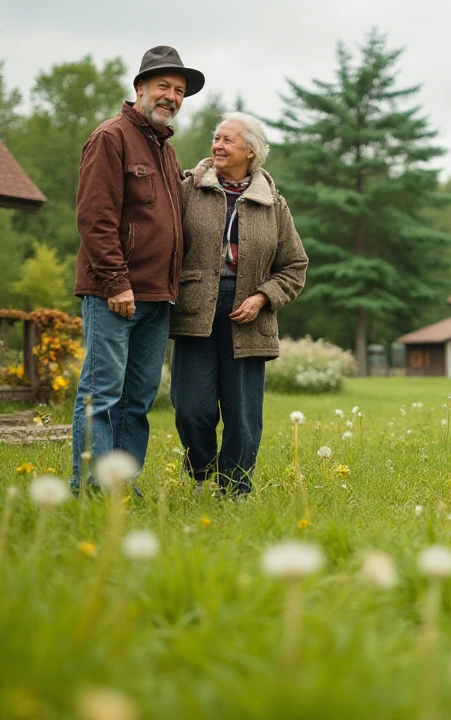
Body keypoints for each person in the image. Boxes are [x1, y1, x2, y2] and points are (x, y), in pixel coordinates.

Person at [70, 46, 205, 493]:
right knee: (102, 395)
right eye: (163, 86)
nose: (171, 96)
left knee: (137, 400)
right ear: (140, 88)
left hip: (157, 297)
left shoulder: (166, 152)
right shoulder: (111, 137)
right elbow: (95, 219)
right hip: (116, 294)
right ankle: (90, 486)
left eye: (180, 91)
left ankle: (120, 484)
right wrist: (116, 283)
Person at [170, 112, 308, 495]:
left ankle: (234, 489)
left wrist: (264, 297)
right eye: (216, 138)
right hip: (195, 310)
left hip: (249, 318)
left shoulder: (272, 204)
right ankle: (201, 474)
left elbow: (295, 266)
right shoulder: (187, 189)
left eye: (228, 140)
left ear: (251, 151)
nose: (218, 145)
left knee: (243, 415)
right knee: (190, 407)